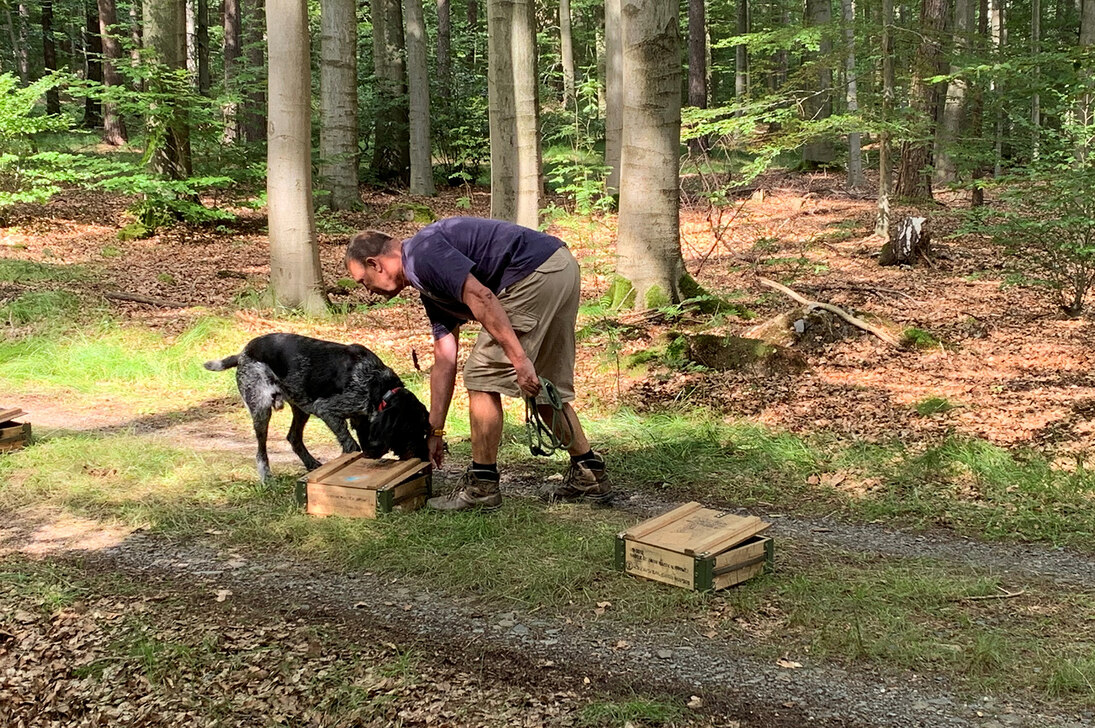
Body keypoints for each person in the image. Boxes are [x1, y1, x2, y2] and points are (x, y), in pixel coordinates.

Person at [344, 216, 611, 512]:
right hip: (559, 268)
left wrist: (520, 360)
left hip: (532, 274)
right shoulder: (428, 281)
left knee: (481, 375)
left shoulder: (422, 254)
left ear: (375, 264)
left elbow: (482, 296)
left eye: (362, 281)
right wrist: (435, 433)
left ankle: (483, 486)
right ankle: (590, 473)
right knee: (543, 386)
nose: (367, 290)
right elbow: (444, 360)